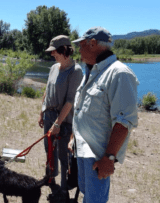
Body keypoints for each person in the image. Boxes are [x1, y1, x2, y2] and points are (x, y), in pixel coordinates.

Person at [69, 27, 139, 203]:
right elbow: (80, 109)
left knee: (95, 200)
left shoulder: (119, 73)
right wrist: (73, 138)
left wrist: (109, 158)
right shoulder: (91, 71)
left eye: (81, 45)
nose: (79, 50)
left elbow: (124, 121)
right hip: (83, 149)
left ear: (93, 44)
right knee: (86, 193)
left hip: (98, 155)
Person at [38, 35, 83, 202]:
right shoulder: (53, 68)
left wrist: (57, 123)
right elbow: (46, 90)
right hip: (49, 115)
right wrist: (42, 111)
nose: (51, 54)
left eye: (54, 51)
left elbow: (71, 101)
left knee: (63, 156)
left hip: (63, 120)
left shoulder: (76, 71)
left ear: (64, 50)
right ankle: (51, 179)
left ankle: (63, 191)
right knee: (48, 150)